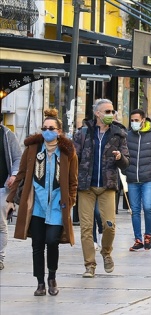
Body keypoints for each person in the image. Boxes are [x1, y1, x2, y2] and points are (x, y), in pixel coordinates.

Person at [6, 109, 77, 296]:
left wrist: (70, 201)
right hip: (36, 205)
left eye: (51, 128)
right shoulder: (32, 149)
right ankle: (40, 283)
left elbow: (73, 181)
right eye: (44, 128)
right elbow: (21, 174)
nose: (47, 131)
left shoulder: (67, 152)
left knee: (52, 240)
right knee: (37, 244)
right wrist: (11, 200)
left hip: (56, 205)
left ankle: (52, 276)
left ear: (59, 131)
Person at [73, 99, 130, 278]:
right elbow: (74, 159)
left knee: (109, 225)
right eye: (107, 111)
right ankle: (89, 265)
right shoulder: (82, 133)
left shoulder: (119, 134)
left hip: (107, 186)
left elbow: (126, 163)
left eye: (112, 111)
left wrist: (120, 157)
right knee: (86, 228)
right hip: (86, 186)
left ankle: (106, 252)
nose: (111, 114)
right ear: (97, 113)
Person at [126, 109, 151, 251]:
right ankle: (138, 239)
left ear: (143, 120)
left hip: (148, 178)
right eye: (132, 120)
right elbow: (124, 154)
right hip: (132, 179)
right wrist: (126, 169)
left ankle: (147, 235)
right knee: (135, 210)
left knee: (148, 207)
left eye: (136, 120)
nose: (134, 123)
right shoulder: (127, 136)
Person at [0, 114, 22, 271]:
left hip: (2, 187)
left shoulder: (7, 135)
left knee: (0, 223)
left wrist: (14, 174)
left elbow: (17, 158)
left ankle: (0, 257)